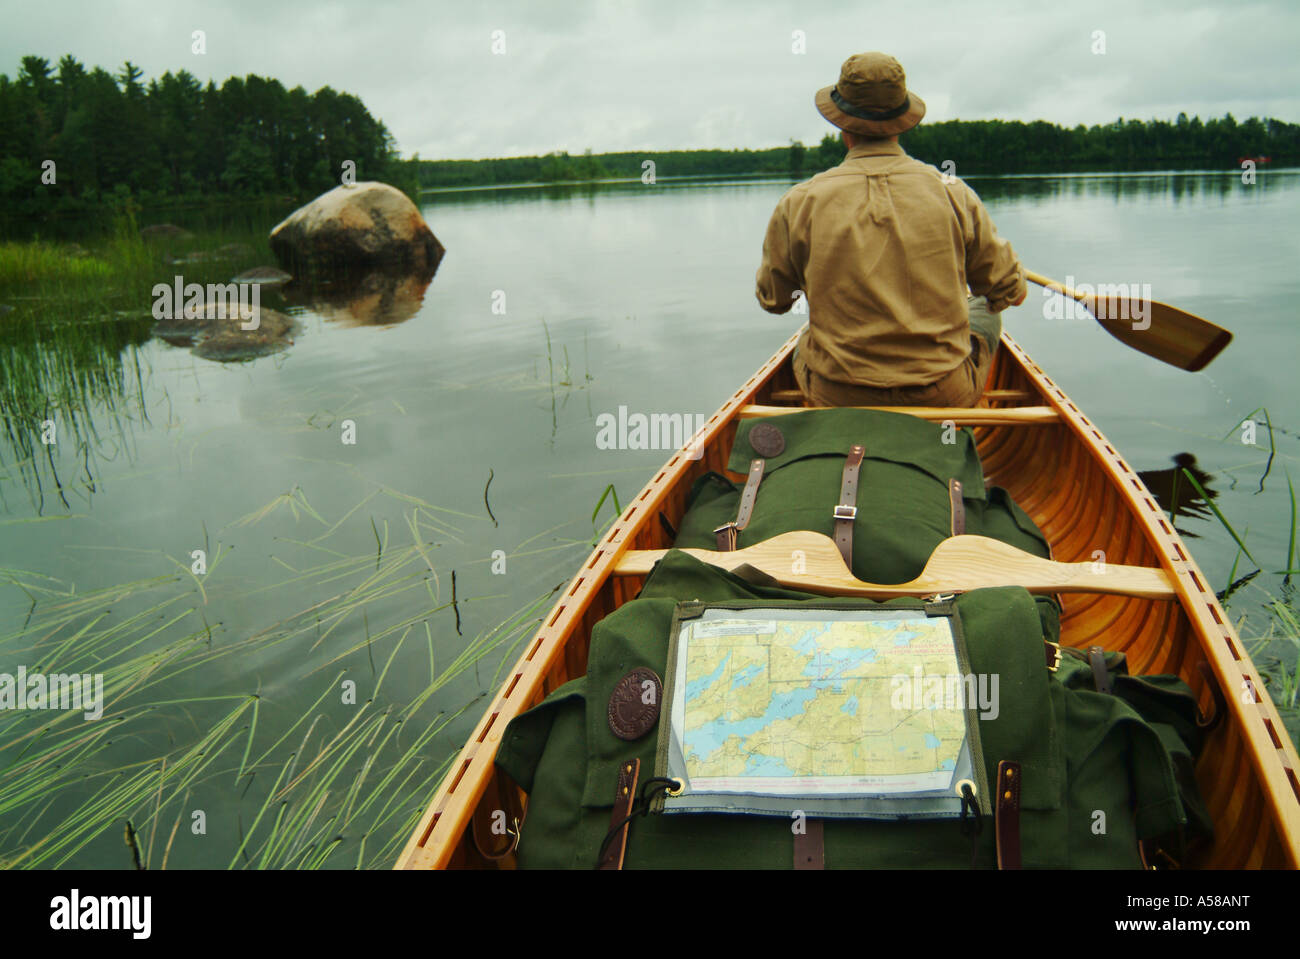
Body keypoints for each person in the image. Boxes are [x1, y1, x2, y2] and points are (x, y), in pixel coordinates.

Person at [756, 52, 1028, 408]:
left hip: (838, 396)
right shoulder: (953, 192)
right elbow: (1009, 292)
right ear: (903, 121)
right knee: (981, 304)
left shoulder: (799, 201)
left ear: (842, 126)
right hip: (943, 395)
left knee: (808, 333)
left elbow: (774, 300)